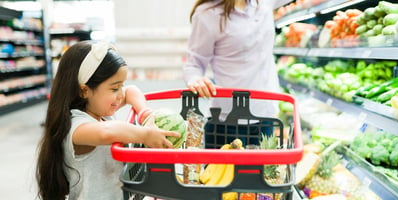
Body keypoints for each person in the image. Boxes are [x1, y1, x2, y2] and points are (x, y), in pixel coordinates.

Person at [36, 40, 180, 200]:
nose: (120, 94)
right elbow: (107, 132)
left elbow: (132, 91)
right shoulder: (75, 126)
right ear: (84, 91)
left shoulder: (100, 109)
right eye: (114, 88)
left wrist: (144, 112)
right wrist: (145, 135)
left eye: (121, 85)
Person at [183, 0, 293, 147]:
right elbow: (194, 63)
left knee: (262, 170)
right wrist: (195, 79)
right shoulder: (208, 14)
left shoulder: (263, 3)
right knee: (222, 170)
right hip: (227, 121)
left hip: (265, 114)